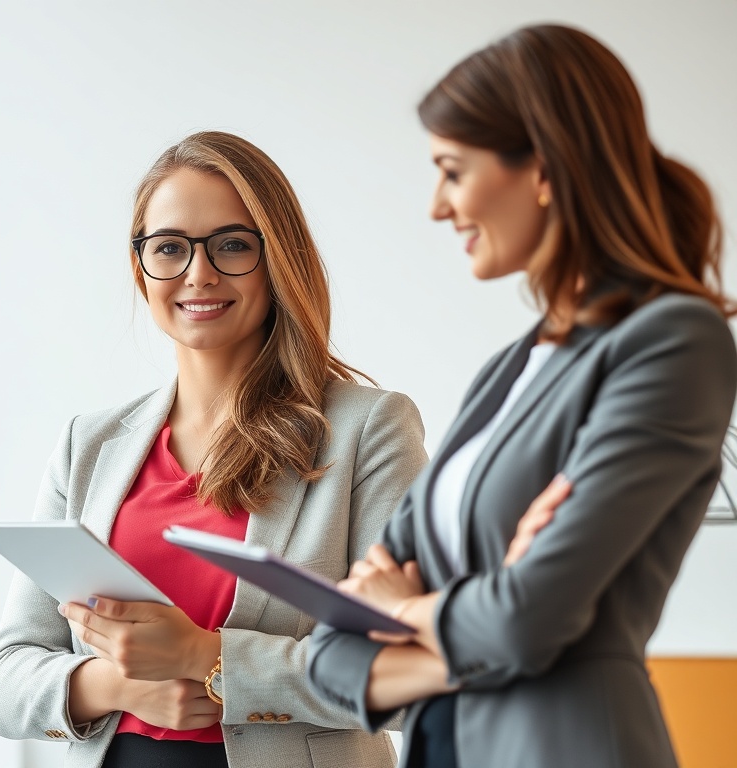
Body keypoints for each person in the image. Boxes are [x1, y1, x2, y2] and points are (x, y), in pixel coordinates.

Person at [306, 23, 737, 768]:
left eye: (452, 170)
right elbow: (326, 654)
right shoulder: (510, 367)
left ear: (542, 167)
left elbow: (527, 621)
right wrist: (474, 623)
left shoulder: (673, 341)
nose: (439, 207)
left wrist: (405, 610)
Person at [0, 131, 429, 768]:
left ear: (279, 260)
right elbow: (4, 680)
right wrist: (116, 683)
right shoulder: (90, 444)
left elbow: (416, 674)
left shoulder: (368, 429)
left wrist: (209, 660)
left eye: (233, 245)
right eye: (169, 248)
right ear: (142, 268)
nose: (200, 273)